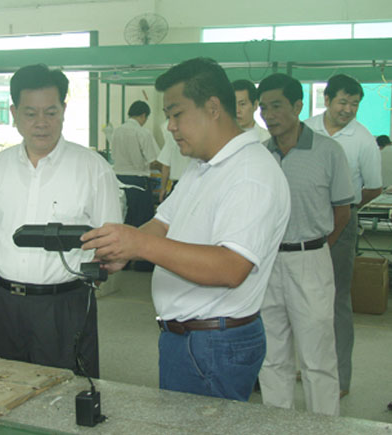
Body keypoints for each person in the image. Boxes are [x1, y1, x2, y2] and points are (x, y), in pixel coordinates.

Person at [81, 57, 291, 401]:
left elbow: (231, 267)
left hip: (214, 344)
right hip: (189, 338)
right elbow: (163, 223)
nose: (170, 127)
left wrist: (138, 245)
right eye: (168, 116)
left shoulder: (251, 174)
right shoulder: (202, 166)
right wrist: (122, 250)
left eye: (177, 114)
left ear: (213, 108)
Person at [0, 64, 122, 378]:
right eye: (30, 113)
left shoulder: (93, 168)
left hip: (65, 306)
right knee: (4, 387)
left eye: (51, 112)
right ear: (15, 113)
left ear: (64, 110)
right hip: (5, 304)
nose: (41, 123)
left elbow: (112, 243)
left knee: (67, 393)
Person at [257, 73, 354, 416]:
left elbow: (342, 212)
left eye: (277, 106)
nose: (269, 115)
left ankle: (323, 426)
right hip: (268, 264)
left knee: (318, 356)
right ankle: (278, 422)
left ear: (298, 106)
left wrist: (315, 246)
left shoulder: (328, 152)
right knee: (272, 355)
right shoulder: (260, 155)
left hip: (311, 260)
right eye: (263, 107)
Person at [305, 74, 382, 398]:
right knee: (304, 298)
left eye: (354, 104)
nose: (348, 109)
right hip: (305, 220)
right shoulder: (307, 129)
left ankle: (340, 378)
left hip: (342, 220)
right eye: (343, 102)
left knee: (336, 299)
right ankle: (310, 367)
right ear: (327, 100)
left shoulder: (363, 140)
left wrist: (343, 207)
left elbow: (374, 187)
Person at [111, 100, 160, 228]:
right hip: (138, 183)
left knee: (123, 220)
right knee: (141, 223)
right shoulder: (143, 132)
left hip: (118, 181)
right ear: (143, 115)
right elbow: (153, 160)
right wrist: (165, 169)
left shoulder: (116, 131)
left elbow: (114, 155)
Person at [157, 120, 190, 202]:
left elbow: (166, 167)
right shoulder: (201, 139)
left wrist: (163, 189)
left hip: (177, 186)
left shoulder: (172, 139)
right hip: (194, 186)